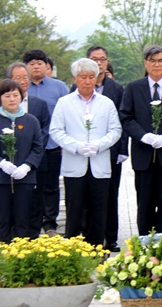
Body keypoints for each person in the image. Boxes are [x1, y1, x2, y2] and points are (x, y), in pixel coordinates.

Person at [49, 58, 122, 246]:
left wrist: (99, 145)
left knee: (99, 210)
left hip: (99, 163)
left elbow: (115, 130)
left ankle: (97, 250)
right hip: (75, 163)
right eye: (83, 77)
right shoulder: (64, 103)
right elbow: (56, 130)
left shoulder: (106, 103)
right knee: (74, 211)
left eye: (91, 77)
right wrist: (75, 146)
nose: (88, 81)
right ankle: (74, 251)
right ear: (75, 79)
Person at [119, 45, 162, 235]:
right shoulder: (134, 88)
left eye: (160, 60)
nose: (156, 64)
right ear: (145, 63)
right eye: (152, 60)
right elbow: (125, 117)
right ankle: (144, 241)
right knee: (144, 202)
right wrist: (143, 136)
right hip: (143, 155)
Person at [0, 79, 44, 242]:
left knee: (23, 220)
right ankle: (4, 255)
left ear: (21, 97)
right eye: (7, 95)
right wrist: (0, 162)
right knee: (3, 221)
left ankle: (20, 257)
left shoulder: (31, 121)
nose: (12, 99)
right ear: (0, 98)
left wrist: (27, 166)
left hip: (25, 180)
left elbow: (38, 147)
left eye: (15, 95)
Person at [0, 63, 50, 238]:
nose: (24, 81)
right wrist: (2, 162)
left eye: (26, 77)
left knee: (30, 210)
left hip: (32, 166)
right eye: (18, 78)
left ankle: (30, 242)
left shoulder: (35, 111)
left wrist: (28, 163)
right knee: (4, 217)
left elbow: (43, 134)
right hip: (2, 173)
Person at [86, 46, 128, 252]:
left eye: (102, 59)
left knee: (111, 195)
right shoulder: (79, 87)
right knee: (88, 195)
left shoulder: (116, 88)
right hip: (86, 151)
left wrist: (122, 149)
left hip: (110, 151)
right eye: (95, 59)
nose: (99, 63)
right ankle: (88, 236)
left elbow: (124, 119)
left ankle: (110, 237)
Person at [23, 49, 69, 236]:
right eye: (32, 63)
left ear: (46, 65)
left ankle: (50, 222)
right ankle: (32, 221)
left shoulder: (58, 87)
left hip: (52, 145)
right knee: (31, 186)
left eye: (39, 63)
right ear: (26, 66)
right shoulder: (21, 87)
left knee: (51, 186)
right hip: (26, 148)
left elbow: (68, 113)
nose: (36, 66)